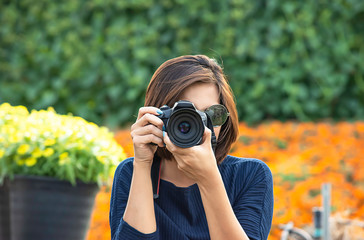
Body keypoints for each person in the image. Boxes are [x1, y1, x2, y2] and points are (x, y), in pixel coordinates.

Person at [109, 55, 274, 240]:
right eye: (186, 114)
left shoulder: (249, 176)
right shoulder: (131, 174)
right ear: (156, 116)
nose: (200, 125)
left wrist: (208, 178)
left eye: (212, 114)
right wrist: (142, 163)